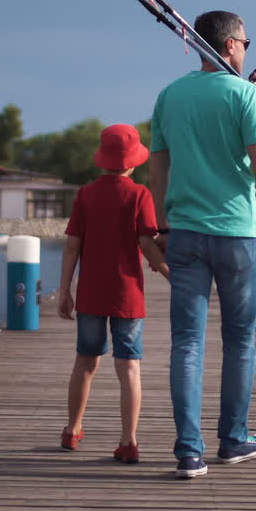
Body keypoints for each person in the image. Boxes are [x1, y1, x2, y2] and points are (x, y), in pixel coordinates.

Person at [149, 10, 256, 479]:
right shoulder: (244, 95)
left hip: (183, 232)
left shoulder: (169, 96)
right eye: (246, 42)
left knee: (186, 343)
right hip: (238, 234)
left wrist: (162, 226)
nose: (246, 50)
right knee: (239, 341)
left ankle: (188, 452)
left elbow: (157, 172)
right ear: (230, 45)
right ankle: (233, 439)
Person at [58, 124, 169, 464]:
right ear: (132, 163)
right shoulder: (139, 196)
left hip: (91, 293)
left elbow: (73, 245)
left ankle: (72, 430)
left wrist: (65, 290)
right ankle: (128, 441)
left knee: (85, 364)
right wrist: (169, 273)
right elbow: (146, 243)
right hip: (128, 296)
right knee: (129, 368)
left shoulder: (85, 195)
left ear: (102, 160)